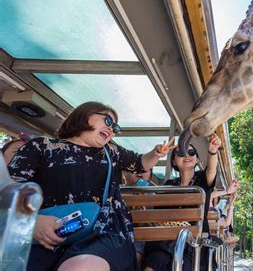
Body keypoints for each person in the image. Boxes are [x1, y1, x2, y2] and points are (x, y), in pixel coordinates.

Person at [7, 101, 175, 271]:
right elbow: (11, 190)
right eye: (108, 121)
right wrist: (32, 221)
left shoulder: (112, 151)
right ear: (85, 114)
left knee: (79, 267)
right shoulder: (41, 146)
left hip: (104, 233)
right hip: (51, 233)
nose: (111, 129)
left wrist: (156, 153)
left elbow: (140, 163)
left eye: (115, 128)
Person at [143, 134, 221, 271]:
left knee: (184, 264)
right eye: (181, 153)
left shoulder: (202, 179)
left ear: (196, 159)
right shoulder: (168, 184)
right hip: (167, 242)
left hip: (194, 245)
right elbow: (158, 215)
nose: (187, 155)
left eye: (191, 152)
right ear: (173, 161)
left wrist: (212, 151)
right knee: (153, 261)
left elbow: (212, 170)